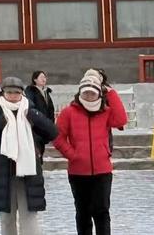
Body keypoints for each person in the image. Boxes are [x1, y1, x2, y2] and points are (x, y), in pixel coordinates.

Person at [0, 75, 58, 235]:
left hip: (29, 176)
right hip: (4, 175)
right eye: (9, 92)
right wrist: (0, 122)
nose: (13, 96)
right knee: (7, 222)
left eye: (16, 92)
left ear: (22, 94)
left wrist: (33, 117)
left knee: (30, 223)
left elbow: (53, 132)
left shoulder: (30, 112)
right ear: (3, 93)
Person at [54, 68, 128, 235]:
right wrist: (72, 155)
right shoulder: (68, 113)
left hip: (102, 171)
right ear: (80, 92)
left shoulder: (106, 112)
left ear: (99, 94)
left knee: (101, 211)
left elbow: (121, 120)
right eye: (86, 93)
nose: (89, 96)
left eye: (93, 93)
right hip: (78, 172)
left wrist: (111, 93)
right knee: (83, 212)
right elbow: (58, 137)